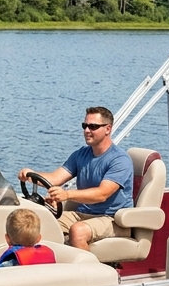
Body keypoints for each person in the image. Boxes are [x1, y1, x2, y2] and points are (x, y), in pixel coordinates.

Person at [18, 107, 134, 251]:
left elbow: (102, 194)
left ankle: (89, 266)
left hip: (113, 219)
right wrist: (31, 175)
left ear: (107, 129)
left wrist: (66, 194)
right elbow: (55, 178)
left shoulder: (119, 160)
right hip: (83, 214)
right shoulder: (80, 154)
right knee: (36, 222)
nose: (87, 130)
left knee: (78, 231)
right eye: (85, 126)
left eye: (93, 126)